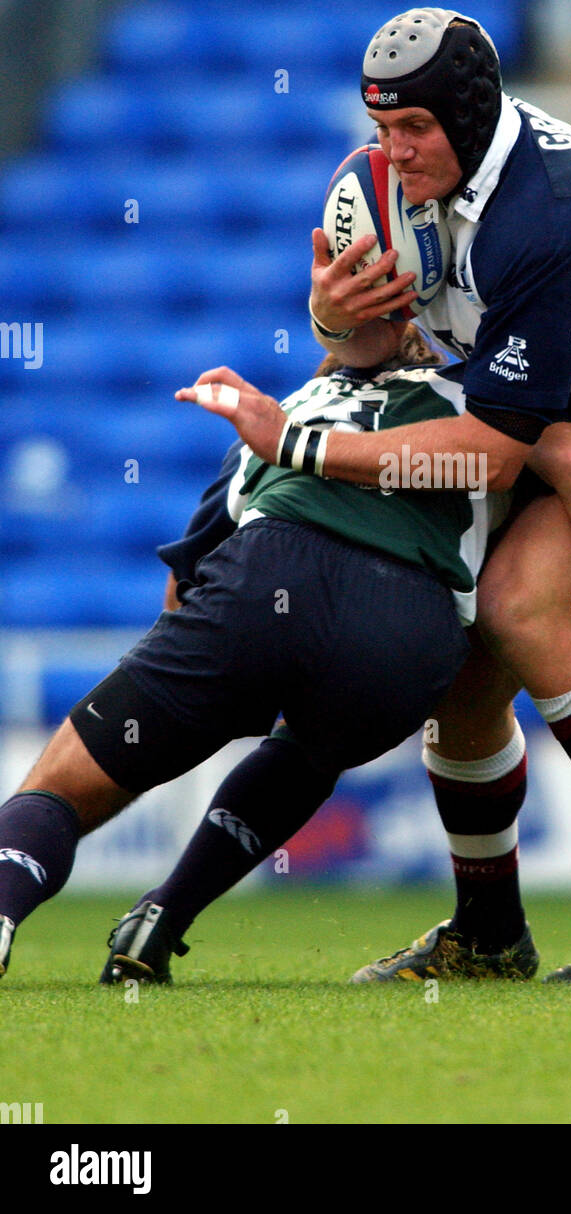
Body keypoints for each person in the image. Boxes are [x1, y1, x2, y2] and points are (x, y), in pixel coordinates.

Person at [251, 5, 571, 985]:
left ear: (472, 113)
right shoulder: (368, 185)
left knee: (521, 606)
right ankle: (487, 931)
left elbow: (494, 452)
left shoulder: (545, 208)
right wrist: (329, 314)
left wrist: (299, 445)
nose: (391, 152)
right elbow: (364, 344)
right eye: (380, 129)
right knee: (458, 657)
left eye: (413, 129)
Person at [0, 329, 524, 981]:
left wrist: (179, 701)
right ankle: (165, 912)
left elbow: (182, 586)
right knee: (313, 747)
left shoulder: (284, 412)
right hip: (409, 626)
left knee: (61, 787)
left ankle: (3, 905)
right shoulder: (490, 416)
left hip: (265, 577)